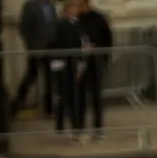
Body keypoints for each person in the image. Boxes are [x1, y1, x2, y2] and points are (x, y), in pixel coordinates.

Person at [11, 0, 58, 119]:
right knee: (31, 76)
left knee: (50, 78)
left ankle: (49, 109)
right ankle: (14, 106)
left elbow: (54, 26)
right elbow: (24, 27)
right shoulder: (31, 6)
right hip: (37, 48)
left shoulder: (51, 6)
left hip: (51, 47)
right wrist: (32, 45)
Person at [48, 0, 86, 137]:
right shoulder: (61, 25)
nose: (75, 9)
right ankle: (61, 125)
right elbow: (55, 44)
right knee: (63, 96)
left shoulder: (77, 24)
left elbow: (79, 45)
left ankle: (75, 126)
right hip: (63, 64)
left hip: (73, 64)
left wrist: (81, 64)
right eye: (73, 7)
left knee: (72, 97)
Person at [78, 0, 112, 139]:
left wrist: (103, 55)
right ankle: (79, 127)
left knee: (96, 97)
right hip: (80, 63)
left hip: (96, 62)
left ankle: (98, 128)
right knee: (79, 97)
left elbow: (107, 38)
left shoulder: (98, 18)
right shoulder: (76, 19)